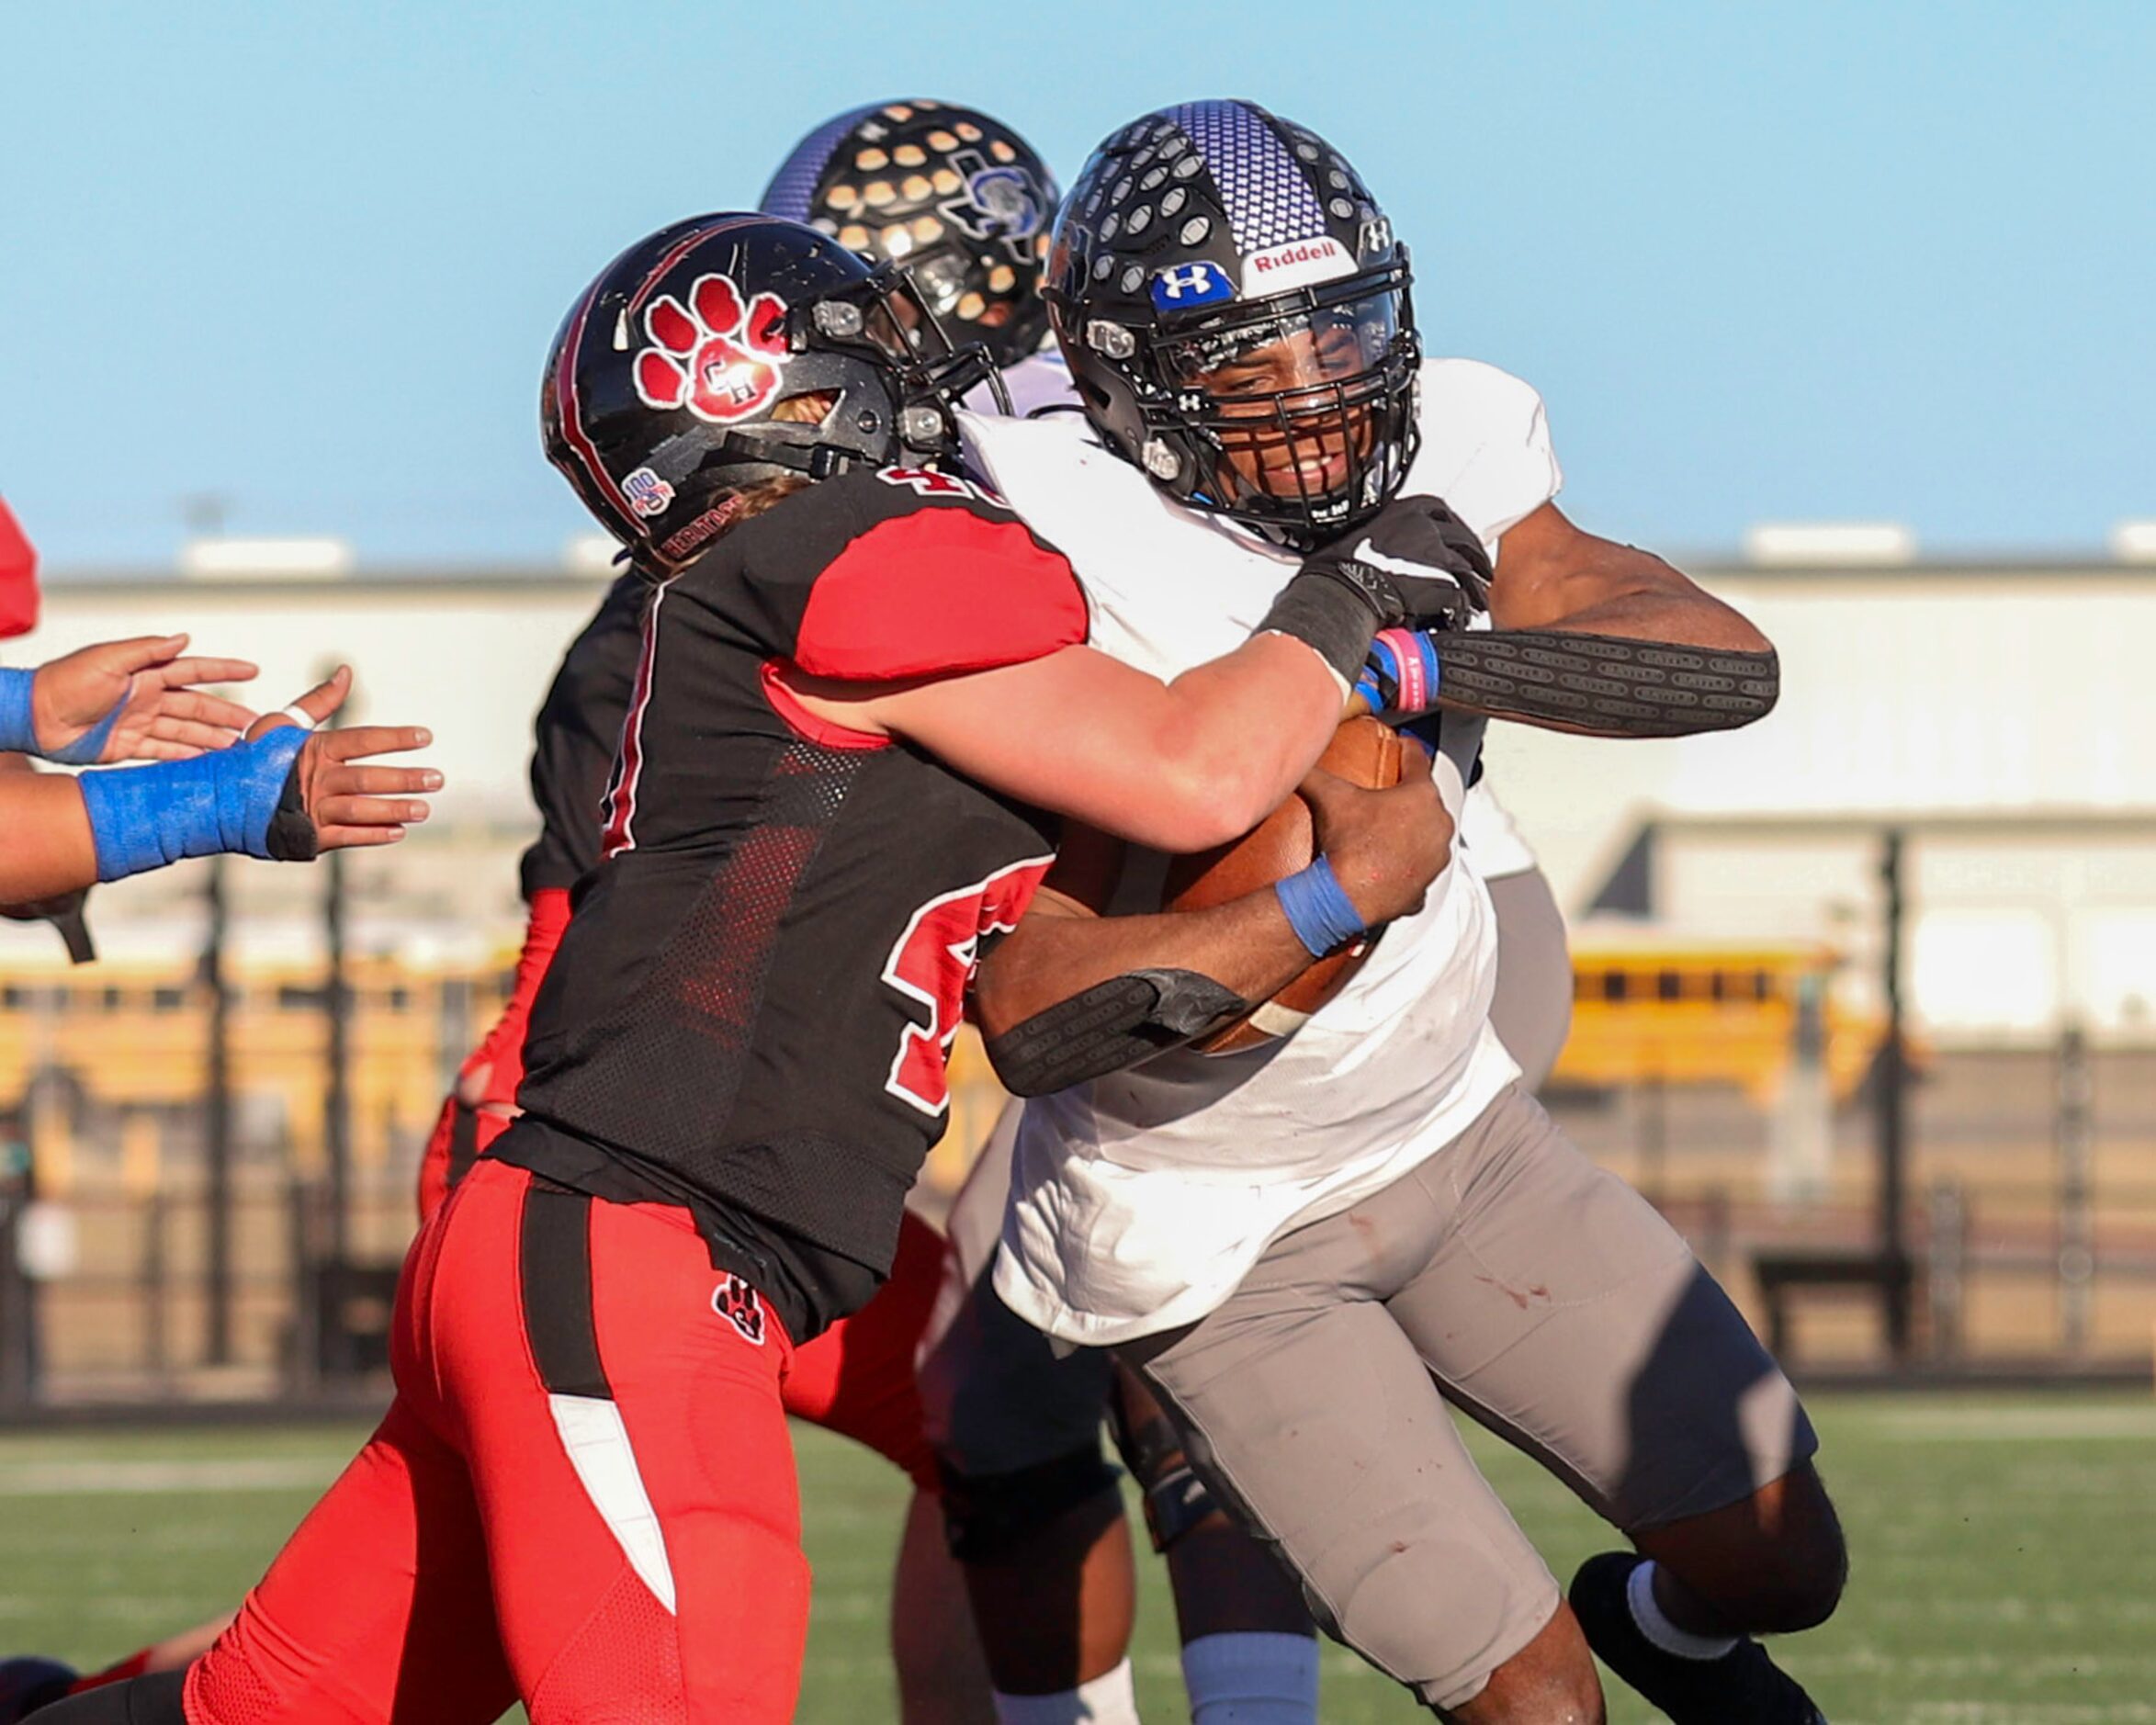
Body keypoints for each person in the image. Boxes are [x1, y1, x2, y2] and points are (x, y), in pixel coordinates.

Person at [42, 209, 1483, 1724]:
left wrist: (1311, 898)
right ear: (799, 399)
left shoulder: (786, 597)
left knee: (254, 1713)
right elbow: (1193, 770)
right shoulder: (846, 548)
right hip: (641, 1249)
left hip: (592, 1245)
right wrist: (1349, 597)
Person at [931, 100, 1835, 1725]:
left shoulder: (1454, 440)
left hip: (1461, 1130)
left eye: (1342, 335)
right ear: (1125, 375)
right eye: (1252, 364)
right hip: (1209, 1228)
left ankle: (1667, 1624)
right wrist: (1325, 886)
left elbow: (1723, 662)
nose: (1321, 398)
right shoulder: (1036, 524)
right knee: (1535, 1707)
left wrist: (1414, 655)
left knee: (1786, 1557)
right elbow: (1038, 1009)